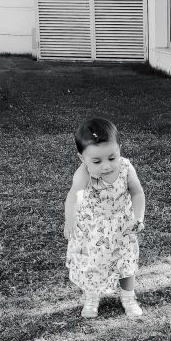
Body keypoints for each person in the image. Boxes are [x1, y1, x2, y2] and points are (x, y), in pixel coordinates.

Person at [64, 117, 145, 318]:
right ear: (83, 159)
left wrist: (139, 217)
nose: (106, 166)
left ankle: (128, 297)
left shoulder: (126, 168)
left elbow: (137, 193)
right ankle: (92, 298)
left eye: (112, 157)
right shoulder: (84, 174)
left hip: (122, 226)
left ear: (119, 149)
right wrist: (70, 218)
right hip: (93, 229)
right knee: (93, 264)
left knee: (125, 263)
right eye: (97, 161)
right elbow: (74, 195)